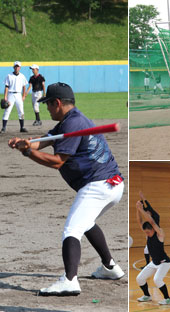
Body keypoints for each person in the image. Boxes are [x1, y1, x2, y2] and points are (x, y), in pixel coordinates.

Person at [8, 82, 125, 296]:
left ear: (57, 103)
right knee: (86, 222)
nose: (46, 108)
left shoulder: (72, 124)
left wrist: (28, 153)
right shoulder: (70, 120)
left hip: (97, 185)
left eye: (48, 104)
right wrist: (24, 143)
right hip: (113, 184)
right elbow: (42, 142)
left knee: (71, 230)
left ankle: (70, 280)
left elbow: (57, 162)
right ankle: (110, 267)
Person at [135, 200, 170, 305]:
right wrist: (137, 209)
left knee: (157, 280)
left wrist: (142, 210)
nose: (147, 234)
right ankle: (147, 295)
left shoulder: (160, 233)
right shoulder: (148, 234)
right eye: (145, 232)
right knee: (140, 278)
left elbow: (152, 222)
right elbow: (139, 222)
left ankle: (168, 298)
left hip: (164, 262)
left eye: (148, 232)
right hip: (154, 262)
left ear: (153, 229)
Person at [0, 61, 28, 134]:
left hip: (19, 94)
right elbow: (6, 87)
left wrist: (24, 95)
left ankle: (22, 127)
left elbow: (24, 86)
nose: (16, 68)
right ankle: (3, 127)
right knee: (7, 111)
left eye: (18, 66)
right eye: (15, 66)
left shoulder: (22, 76)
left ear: (20, 68)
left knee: (21, 111)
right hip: (11, 94)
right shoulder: (9, 76)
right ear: (13, 67)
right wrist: (5, 97)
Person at [139, 191, 161, 268]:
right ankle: (148, 264)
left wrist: (143, 197)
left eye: (147, 212)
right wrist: (140, 200)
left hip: (156, 235)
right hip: (150, 234)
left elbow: (148, 205)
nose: (146, 213)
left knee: (154, 249)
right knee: (146, 250)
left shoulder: (156, 216)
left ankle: (157, 262)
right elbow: (142, 207)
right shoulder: (148, 216)